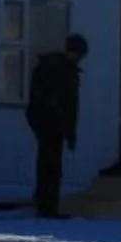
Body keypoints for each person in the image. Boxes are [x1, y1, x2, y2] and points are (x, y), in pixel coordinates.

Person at [26, 32, 86, 218]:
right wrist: (67, 130)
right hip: (50, 121)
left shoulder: (56, 67)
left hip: (48, 121)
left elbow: (69, 106)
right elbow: (67, 105)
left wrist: (70, 133)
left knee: (47, 163)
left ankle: (43, 201)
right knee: (51, 165)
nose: (80, 59)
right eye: (80, 54)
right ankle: (47, 206)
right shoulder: (61, 70)